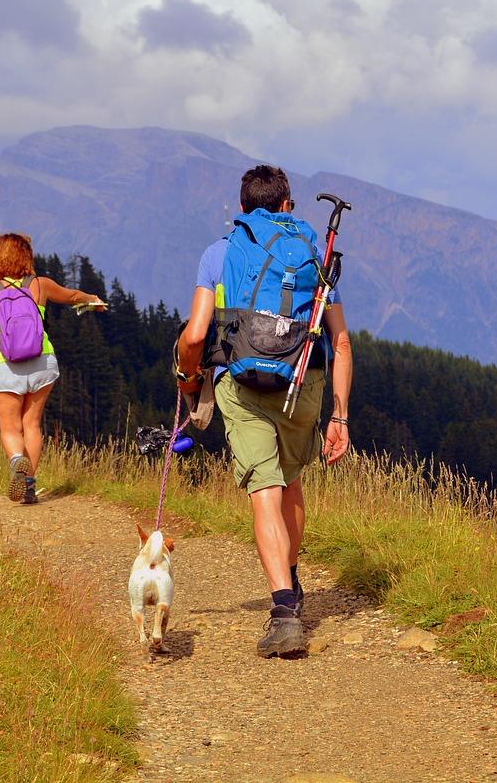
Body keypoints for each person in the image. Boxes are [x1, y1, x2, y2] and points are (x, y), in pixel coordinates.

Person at [176, 165, 352, 657]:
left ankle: (283, 609)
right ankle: (291, 582)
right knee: (291, 480)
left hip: (243, 382)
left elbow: (195, 335)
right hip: (304, 380)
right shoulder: (315, 255)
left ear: (243, 206)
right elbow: (339, 339)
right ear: (288, 205)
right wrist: (340, 416)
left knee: (264, 488)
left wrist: (189, 376)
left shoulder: (219, 252)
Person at [0, 233, 105, 504]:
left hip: (6, 367)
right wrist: (94, 300)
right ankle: (28, 485)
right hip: (42, 363)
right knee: (31, 424)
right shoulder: (40, 285)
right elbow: (73, 296)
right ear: (27, 257)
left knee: (10, 427)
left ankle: (17, 462)